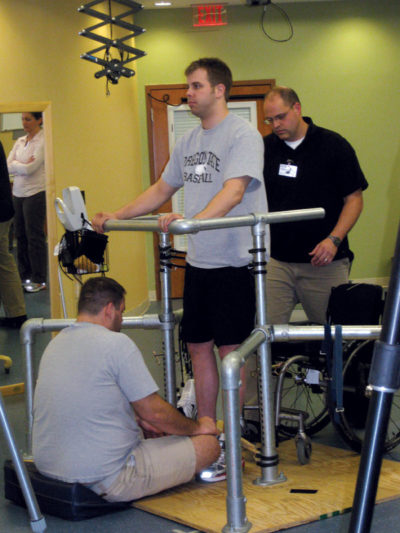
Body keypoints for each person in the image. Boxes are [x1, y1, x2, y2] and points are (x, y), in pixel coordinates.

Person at [92, 57, 268, 481]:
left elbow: (233, 191)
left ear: (219, 90)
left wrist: (194, 222)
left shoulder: (244, 136)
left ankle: (228, 440)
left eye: (195, 87)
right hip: (202, 263)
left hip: (236, 262)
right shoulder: (189, 142)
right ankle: (206, 433)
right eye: (188, 87)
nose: (187, 94)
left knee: (231, 355)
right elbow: (161, 189)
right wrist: (116, 214)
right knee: (197, 348)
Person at [32, 277, 219, 501]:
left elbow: (86, 401)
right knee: (209, 446)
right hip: (106, 479)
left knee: (148, 428)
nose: (121, 320)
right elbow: (156, 412)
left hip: (49, 470)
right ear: (109, 309)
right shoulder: (117, 344)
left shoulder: (55, 344)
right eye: (121, 312)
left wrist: (139, 420)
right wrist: (197, 428)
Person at [263, 86, 368, 324]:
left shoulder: (333, 145)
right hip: (278, 262)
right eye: (270, 120)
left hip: (324, 262)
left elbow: (354, 200)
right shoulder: (265, 148)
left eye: (280, 116)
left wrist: (334, 240)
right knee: (263, 336)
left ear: (297, 108)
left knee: (333, 337)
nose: (276, 124)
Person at [7, 112, 47, 293]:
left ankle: (39, 279)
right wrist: (19, 166)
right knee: (20, 236)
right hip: (18, 193)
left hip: (35, 193)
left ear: (39, 120)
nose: (24, 123)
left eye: (28, 119)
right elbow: (7, 164)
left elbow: (31, 168)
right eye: (23, 119)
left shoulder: (44, 140)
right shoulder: (20, 141)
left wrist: (18, 165)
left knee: (34, 237)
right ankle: (25, 277)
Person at [0, 141, 27, 328]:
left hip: (0, 209)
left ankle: (17, 314)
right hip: (3, 207)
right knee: (3, 261)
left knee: (3, 261)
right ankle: (16, 313)